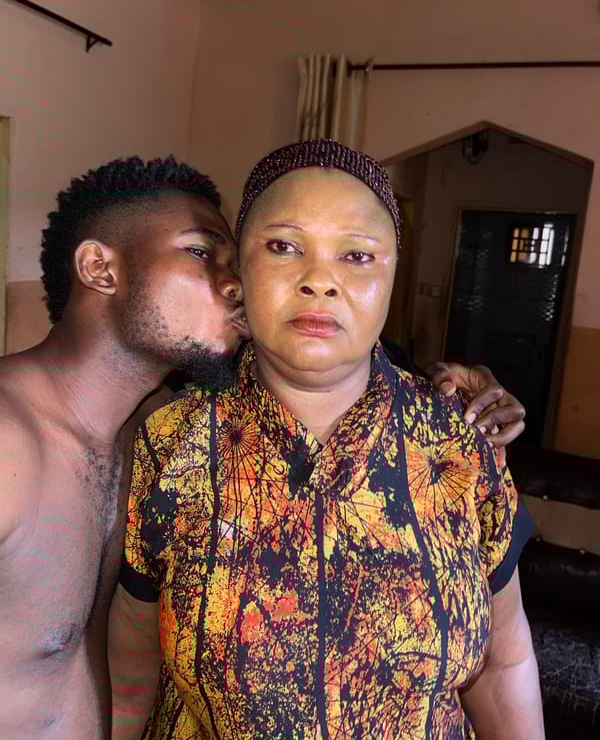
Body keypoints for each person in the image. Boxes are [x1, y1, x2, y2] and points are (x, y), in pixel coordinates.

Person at [109, 139, 543, 739]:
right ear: (241, 269)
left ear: (395, 272)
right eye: (284, 247)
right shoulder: (172, 440)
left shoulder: (459, 442)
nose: (320, 281)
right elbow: (133, 648)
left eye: (358, 256)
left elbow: (505, 661)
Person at [0, 156, 247, 739]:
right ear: (99, 268)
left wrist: (453, 394)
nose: (235, 283)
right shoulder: (6, 439)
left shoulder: (158, 437)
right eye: (200, 251)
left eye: (233, 264)